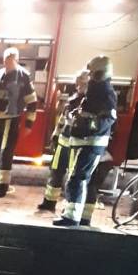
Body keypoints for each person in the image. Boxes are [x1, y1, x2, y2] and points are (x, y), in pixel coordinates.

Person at [54, 55, 117, 227]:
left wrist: (88, 122)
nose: (90, 76)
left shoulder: (106, 92)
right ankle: (76, 215)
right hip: (83, 141)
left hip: (92, 142)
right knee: (76, 178)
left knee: (78, 178)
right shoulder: (94, 90)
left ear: (101, 73)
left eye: (93, 73)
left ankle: (71, 217)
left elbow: (108, 118)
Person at [0, 47, 38, 198]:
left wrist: (29, 124)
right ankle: (0, 181)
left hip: (11, 118)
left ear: (16, 59)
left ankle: (2, 186)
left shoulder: (23, 76)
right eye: (5, 58)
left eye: (10, 58)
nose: (7, 61)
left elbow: (32, 101)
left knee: (5, 151)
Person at [37, 69, 90, 212]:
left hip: (76, 145)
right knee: (55, 172)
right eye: (77, 83)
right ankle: (49, 201)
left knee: (73, 177)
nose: (78, 86)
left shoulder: (89, 103)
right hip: (63, 143)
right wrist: (55, 135)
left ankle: (68, 206)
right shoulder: (72, 101)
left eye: (81, 83)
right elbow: (62, 120)